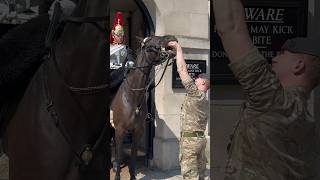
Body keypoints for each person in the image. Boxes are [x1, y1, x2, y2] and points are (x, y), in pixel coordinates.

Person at [213, 0, 320, 179]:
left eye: (283, 54)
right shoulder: (307, 122)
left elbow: (230, 26)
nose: (275, 58)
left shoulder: (276, 102)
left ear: (298, 65)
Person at [168, 41, 210, 180]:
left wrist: (178, 49)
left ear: (203, 83)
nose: (195, 79)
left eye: (198, 78)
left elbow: (181, 70)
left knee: (190, 176)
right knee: (201, 174)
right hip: (200, 140)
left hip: (190, 142)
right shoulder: (205, 100)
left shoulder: (196, 95)